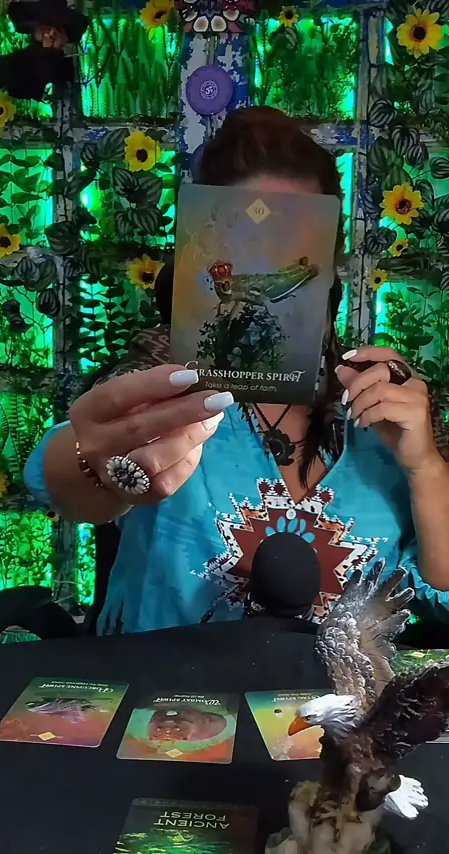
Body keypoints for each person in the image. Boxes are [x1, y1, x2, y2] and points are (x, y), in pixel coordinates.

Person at [25, 106, 449, 634]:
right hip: (168, 686)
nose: (264, 257)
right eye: (242, 239)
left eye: (292, 242)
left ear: (329, 263)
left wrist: (425, 466)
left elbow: (439, 598)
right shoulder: (162, 384)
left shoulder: (376, 405)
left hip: (339, 689)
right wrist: (98, 464)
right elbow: (61, 479)